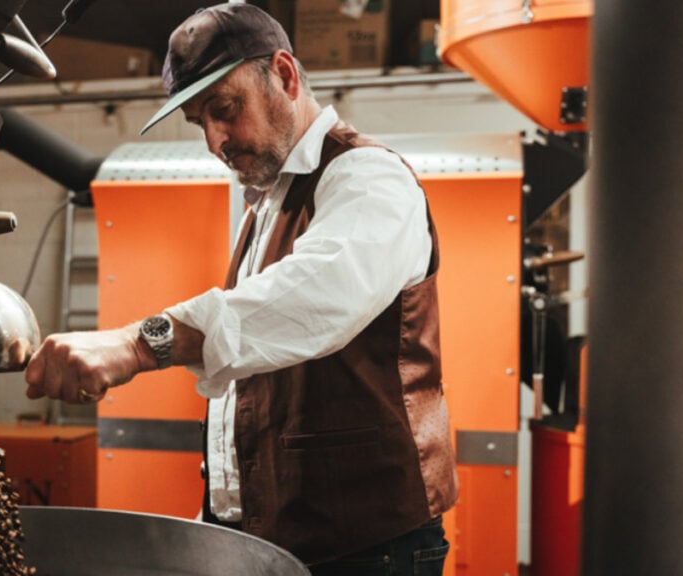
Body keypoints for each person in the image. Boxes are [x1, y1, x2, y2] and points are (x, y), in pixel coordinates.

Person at [23, 4, 459, 574]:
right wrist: (224, 516)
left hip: (367, 547)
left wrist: (137, 344)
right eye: (200, 122)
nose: (215, 141)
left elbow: (313, 299)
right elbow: (253, 370)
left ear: (285, 74)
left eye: (225, 110)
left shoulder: (366, 177)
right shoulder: (267, 204)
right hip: (276, 537)